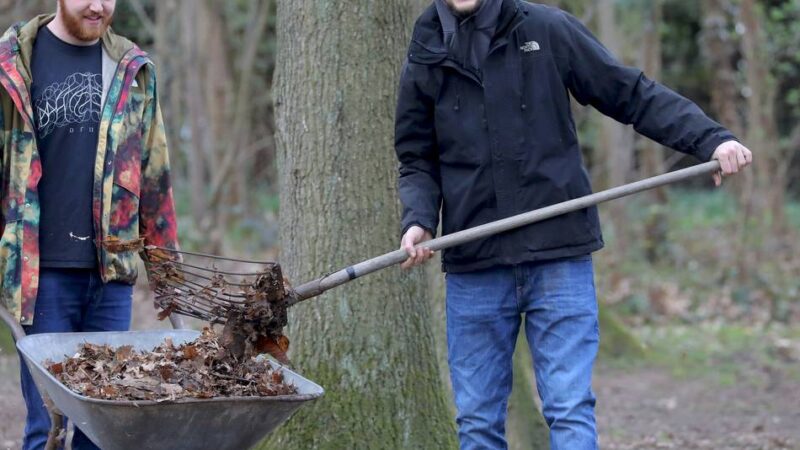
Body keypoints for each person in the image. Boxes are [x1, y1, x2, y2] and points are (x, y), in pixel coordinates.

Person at [394, 0, 752, 448]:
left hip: (559, 255)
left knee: (569, 410)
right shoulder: (426, 48)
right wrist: (419, 219)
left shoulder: (546, 29)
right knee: (477, 423)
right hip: (475, 264)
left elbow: (629, 92)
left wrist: (710, 139)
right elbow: (417, 158)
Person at [0, 0, 179, 448]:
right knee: (48, 427)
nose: (98, 6)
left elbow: (154, 175)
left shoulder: (132, 69)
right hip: (40, 277)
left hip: (111, 278)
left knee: (103, 429)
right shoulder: (13, 63)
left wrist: (169, 273)